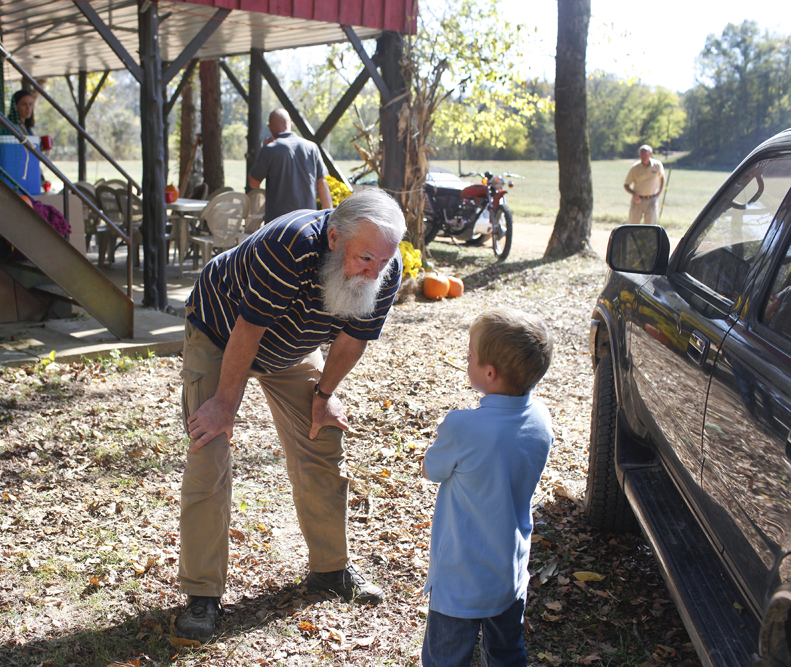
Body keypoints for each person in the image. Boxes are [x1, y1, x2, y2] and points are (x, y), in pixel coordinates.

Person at [175, 189, 405, 642]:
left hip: (292, 349)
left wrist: (324, 394)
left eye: (383, 261)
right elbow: (249, 329)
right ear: (334, 237)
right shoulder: (290, 244)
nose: (375, 272)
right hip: (222, 332)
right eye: (365, 259)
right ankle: (203, 594)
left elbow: (351, 340)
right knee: (209, 448)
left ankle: (330, 569)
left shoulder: (383, 265)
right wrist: (225, 402)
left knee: (322, 438)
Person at [421, 307, 554, 667]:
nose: (466, 359)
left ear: (490, 373)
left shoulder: (463, 426)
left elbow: (432, 470)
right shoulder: (541, 419)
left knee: (446, 659)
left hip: (460, 578)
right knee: (507, 653)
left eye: (470, 355)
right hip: (509, 570)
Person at [248, 108, 331, 223]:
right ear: (291, 125)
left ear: (270, 128)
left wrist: (264, 150)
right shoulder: (312, 148)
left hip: (278, 225)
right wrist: (330, 218)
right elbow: (322, 185)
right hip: (307, 222)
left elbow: (253, 183)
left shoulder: (269, 150)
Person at [623, 144, 665, 224]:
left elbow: (662, 177)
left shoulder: (657, 165)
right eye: (641, 153)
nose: (643, 156)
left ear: (650, 154)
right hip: (638, 200)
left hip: (652, 199)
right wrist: (634, 194)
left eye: (645, 153)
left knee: (651, 226)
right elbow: (626, 185)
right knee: (633, 224)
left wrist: (659, 191)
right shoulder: (635, 168)